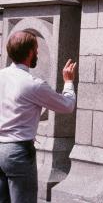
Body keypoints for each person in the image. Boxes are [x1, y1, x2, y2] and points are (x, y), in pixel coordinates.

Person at [0, 30, 77, 203]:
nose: (37, 53)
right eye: (36, 49)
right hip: (17, 151)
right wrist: (68, 82)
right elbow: (67, 105)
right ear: (29, 53)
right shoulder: (33, 84)